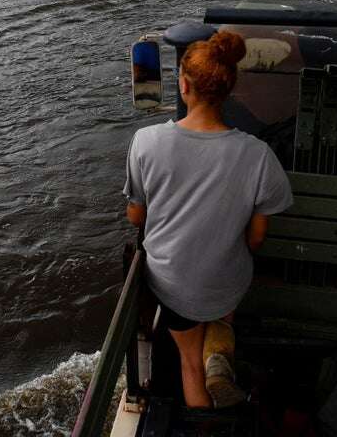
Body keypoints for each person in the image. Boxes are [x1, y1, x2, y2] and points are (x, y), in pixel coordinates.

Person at [124, 31, 293, 409]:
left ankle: (206, 405)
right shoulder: (258, 154)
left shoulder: (145, 141)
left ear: (183, 86)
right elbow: (256, 239)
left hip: (173, 282)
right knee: (224, 284)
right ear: (229, 89)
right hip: (226, 280)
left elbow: (136, 216)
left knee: (188, 364)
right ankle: (220, 346)